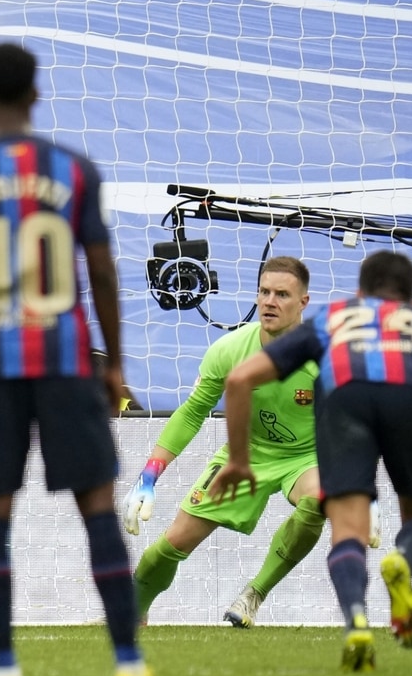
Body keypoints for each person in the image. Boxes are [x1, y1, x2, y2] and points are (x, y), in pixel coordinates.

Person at [0, 43, 166, 676]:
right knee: (96, 509)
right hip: (64, 362)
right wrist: (113, 364)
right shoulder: (74, 171)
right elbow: (103, 272)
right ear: (37, 94)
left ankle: (4, 673)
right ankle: (129, 665)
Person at [210, 250, 412, 672]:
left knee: (347, 529)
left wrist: (239, 459)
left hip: (345, 403)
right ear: (411, 301)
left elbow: (239, 379)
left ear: (359, 292)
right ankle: (403, 560)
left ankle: (357, 621)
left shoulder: (332, 319)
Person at [126, 257, 341, 628]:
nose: (270, 301)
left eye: (282, 294)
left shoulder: (329, 356)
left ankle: (253, 594)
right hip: (245, 453)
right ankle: (131, 613)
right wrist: (149, 475)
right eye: (264, 292)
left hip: (305, 457)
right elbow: (193, 413)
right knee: (168, 547)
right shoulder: (229, 351)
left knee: (318, 498)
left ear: (303, 302)